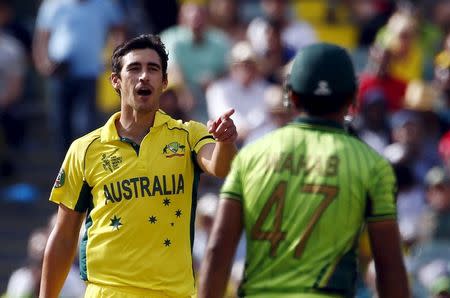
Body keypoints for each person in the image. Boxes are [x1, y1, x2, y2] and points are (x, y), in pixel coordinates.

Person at [198, 43, 410, 298]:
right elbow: (389, 267)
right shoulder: (373, 165)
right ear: (353, 98)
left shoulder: (251, 156)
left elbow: (218, 251)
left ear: (291, 97)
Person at [39, 34, 238, 298]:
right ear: (116, 81)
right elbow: (64, 237)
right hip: (108, 292)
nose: (144, 76)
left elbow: (220, 167)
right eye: (134, 68)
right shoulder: (85, 149)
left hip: (171, 293)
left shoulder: (188, 135)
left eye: (153, 69)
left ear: (164, 82)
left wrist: (224, 142)